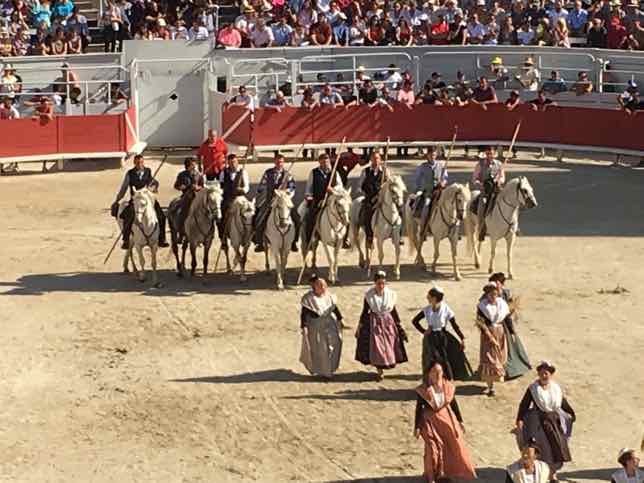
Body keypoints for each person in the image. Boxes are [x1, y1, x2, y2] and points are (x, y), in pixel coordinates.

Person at [414, 362, 477, 483]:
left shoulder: (448, 388)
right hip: (430, 421)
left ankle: (445, 473)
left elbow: (454, 405)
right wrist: (417, 427)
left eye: (439, 372)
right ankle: (432, 475)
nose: (437, 375)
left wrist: (460, 420)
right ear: (429, 374)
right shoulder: (423, 390)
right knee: (433, 449)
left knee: (451, 447)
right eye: (434, 372)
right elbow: (418, 409)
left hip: (446, 419)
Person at [516, 361, 576, 481]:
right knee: (541, 449)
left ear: (551, 374)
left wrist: (571, 413)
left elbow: (562, 402)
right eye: (542, 373)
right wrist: (520, 419)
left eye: (546, 373)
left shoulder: (555, 388)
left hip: (554, 422)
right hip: (537, 422)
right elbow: (524, 404)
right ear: (538, 374)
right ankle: (540, 475)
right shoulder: (533, 389)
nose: (544, 376)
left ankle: (552, 474)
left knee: (556, 448)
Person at [355, 271, 408, 380]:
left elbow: (393, 311)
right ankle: (380, 371)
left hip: (388, 322)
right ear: (375, 283)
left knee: (389, 345)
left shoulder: (391, 295)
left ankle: (386, 364)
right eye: (379, 283)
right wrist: (359, 327)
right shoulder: (369, 295)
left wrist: (399, 326)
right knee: (377, 347)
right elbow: (365, 311)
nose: (381, 286)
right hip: (374, 323)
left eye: (383, 283)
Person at [411, 286, 472, 380]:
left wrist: (462, 338)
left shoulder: (445, 309)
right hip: (430, 339)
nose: (427, 297)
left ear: (434, 298)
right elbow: (415, 321)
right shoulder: (427, 309)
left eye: (429, 296)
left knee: (444, 359)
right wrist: (424, 332)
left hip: (442, 337)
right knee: (431, 360)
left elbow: (454, 325)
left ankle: (444, 382)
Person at [111, 154, 169, 249]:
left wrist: (153, 187)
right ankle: (126, 239)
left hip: (148, 199)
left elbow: (154, 182)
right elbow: (124, 188)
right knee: (127, 216)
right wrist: (117, 199)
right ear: (134, 163)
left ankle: (162, 239)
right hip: (136, 199)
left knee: (161, 216)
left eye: (141, 162)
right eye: (138, 163)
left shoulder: (148, 171)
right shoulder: (130, 173)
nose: (140, 165)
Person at [299, 276, 344, 380]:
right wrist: (304, 327)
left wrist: (340, 320)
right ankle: (324, 372)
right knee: (321, 350)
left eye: (324, 285)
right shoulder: (309, 299)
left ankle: (330, 369)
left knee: (335, 343)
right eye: (320, 285)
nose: (323, 287)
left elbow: (335, 309)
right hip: (316, 327)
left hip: (330, 324)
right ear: (314, 286)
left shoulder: (330, 297)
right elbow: (304, 314)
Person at [488, 272, 531, 379]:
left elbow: (510, 310)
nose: (496, 285)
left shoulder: (506, 293)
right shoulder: (488, 294)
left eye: (497, 282)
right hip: (493, 325)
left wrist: (511, 329)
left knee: (508, 348)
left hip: (505, 324)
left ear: (501, 284)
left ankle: (509, 370)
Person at [253, 153, 299, 252]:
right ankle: (259, 243)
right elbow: (262, 185)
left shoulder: (288, 174)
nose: (279, 163)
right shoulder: (268, 173)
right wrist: (258, 193)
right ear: (274, 162)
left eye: (281, 162)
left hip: (284, 201)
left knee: (297, 218)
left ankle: (294, 242)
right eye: (278, 161)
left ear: (283, 163)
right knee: (259, 219)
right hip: (270, 200)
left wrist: (286, 192)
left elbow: (292, 187)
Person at [476, 282, 511, 396]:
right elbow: (481, 323)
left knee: (500, 357)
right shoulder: (482, 306)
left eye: (495, 294)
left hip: (500, 333)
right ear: (486, 295)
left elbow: (507, 319)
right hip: (488, 335)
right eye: (491, 295)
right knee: (489, 359)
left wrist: (511, 332)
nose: (493, 297)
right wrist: (489, 336)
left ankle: (494, 381)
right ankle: (490, 387)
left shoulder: (502, 305)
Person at [302, 153, 343, 248]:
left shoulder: (334, 173)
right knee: (310, 217)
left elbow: (340, 187)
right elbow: (309, 187)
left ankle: (345, 239)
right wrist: (309, 196)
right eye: (323, 161)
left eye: (327, 161)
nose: (325, 163)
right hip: (318, 200)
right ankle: (310, 241)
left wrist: (332, 190)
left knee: (344, 214)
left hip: (332, 200)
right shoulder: (314, 172)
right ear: (319, 162)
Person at [471, 146, 505, 241]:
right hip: (485, 192)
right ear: (485, 154)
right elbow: (474, 179)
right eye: (488, 154)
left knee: (508, 202)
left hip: (496, 190)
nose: (490, 155)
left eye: (491, 153)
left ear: (494, 154)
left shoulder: (499, 164)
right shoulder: (480, 165)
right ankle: (481, 230)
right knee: (482, 208)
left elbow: (502, 177)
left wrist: (499, 181)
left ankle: (510, 225)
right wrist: (480, 184)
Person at [413, 146, 448, 235]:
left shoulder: (441, 165)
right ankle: (424, 227)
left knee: (451, 204)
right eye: (430, 155)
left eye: (434, 155)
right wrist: (419, 189)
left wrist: (443, 183)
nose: (432, 156)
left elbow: (445, 177)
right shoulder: (422, 167)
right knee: (426, 205)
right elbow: (417, 179)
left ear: (436, 155)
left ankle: (452, 228)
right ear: (427, 155)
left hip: (440, 191)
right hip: (428, 192)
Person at [218, 153, 250, 249]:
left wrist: (242, 189)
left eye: (234, 162)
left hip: (240, 197)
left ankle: (249, 236)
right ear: (228, 163)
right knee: (220, 216)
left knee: (250, 212)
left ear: (237, 162)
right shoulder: (223, 172)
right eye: (231, 162)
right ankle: (223, 239)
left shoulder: (243, 172)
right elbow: (221, 185)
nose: (233, 164)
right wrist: (225, 190)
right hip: (228, 198)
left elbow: (247, 187)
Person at [358, 151, 388, 248]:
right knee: (368, 212)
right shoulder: (365, 171)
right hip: (370, 198)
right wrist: (366, 193)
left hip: (383, 197)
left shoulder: (385, 171)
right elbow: (360, 186)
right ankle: (369, 237)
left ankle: (398, 234)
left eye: (377, 158)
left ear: (381, 160)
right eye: (374, 158)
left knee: (396, 208)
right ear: (370, 159)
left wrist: (384, 187)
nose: (376, 160)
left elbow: (390, 184)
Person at [173, 156, 203, 243]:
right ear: (187, 166)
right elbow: (176, 186)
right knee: (182, 213)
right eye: (192, 165)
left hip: (197, 197)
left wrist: (198, 187)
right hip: (186, 197)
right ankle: (181, 233)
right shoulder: (182, 175)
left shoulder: (199, 175)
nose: (194, 167)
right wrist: (182, 187)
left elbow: (202, 186)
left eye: (194, 165)